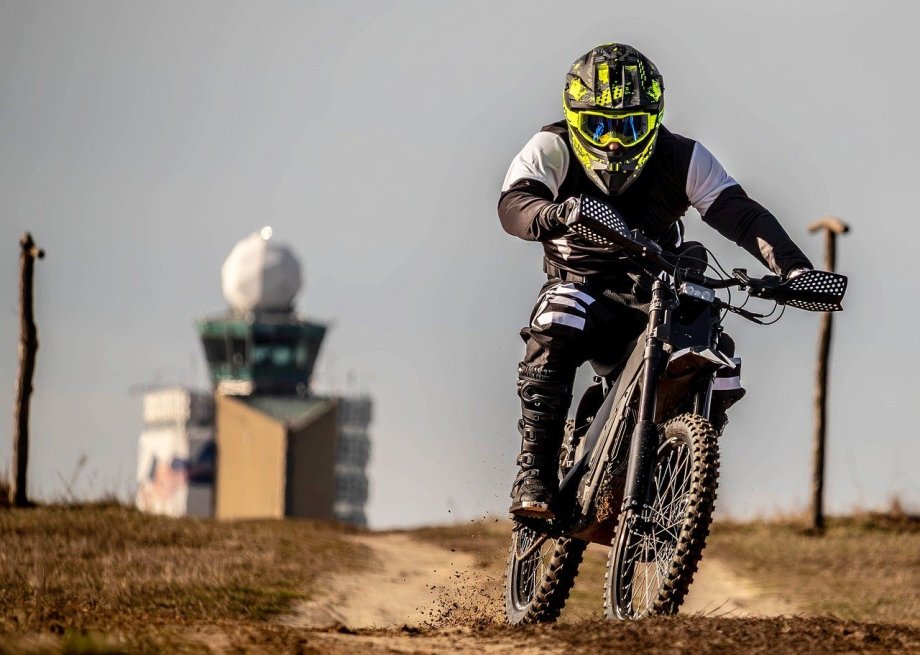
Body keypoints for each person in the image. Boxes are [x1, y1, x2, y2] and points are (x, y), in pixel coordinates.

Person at [498, 43, 812, 519]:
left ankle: (674, 486)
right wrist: (553, 213)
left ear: (654, 120)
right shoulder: (551, 146)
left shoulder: (684, 157)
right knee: (558, 313)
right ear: (574, 119)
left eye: (629, 127)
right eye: (598, 126)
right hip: (583, 289)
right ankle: (535, 474)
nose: (613, 142)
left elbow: (741, 214)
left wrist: (794, 269)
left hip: (656, 294)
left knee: (720, 359)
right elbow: (513, 204)